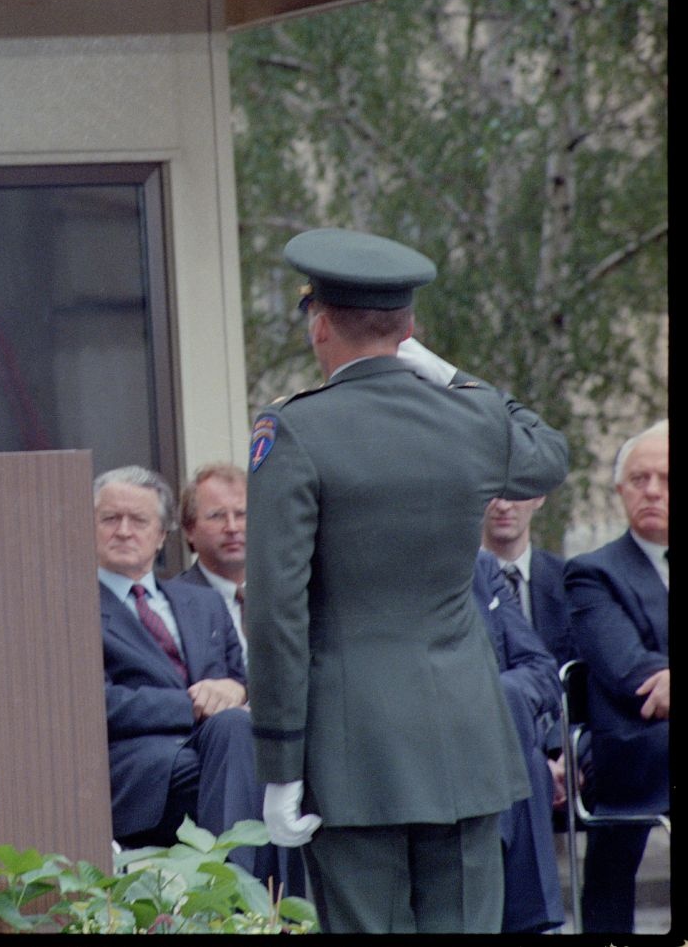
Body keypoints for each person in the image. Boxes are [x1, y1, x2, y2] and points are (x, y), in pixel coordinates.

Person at [243, 227, 569, 933]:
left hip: (350, 752)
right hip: (466, 743)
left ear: (319, 323)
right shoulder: (471, 417)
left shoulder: (294, 431)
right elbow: (547, 454)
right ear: (410, 329)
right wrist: (449, 373)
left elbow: (275, 610)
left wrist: (279, 760)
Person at [94, 466, 292, 891]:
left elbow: (242, 682)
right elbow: (94, 703)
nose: (124, 531)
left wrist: (235, 689)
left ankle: (238, 896)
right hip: (140, 770)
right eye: (111, 519)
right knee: (257, 762)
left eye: (139, 520)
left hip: (215, 750)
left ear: (162, 534)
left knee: (268, 751)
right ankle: (243, 900)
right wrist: (193, 704)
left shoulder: (202, 602)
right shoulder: (71, 609)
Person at [565, 419, 668, 933]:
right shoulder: (593, 573)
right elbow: (630, 673)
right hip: (635, 749)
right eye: (639, 479)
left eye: (667, 479)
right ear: (619, 490)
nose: (652, 491)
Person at [471, 552, 565, 933]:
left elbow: (542, 670)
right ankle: (534, 925)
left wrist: (492, 697)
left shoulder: (480, 568)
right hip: (424, 749)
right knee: (527, 765)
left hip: (490, 744)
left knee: (515, 731)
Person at [482, 495, 574, 666]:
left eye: (516, 493)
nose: (503, 505)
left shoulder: (570, 581)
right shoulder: (454, 585)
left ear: (539, 497)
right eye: (493, 492)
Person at [170, 463, 249, 656]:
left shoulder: (286, 594)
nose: (232, 527)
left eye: (241, 514)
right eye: (217, 516)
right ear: (189, 530)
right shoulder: (173, 604)